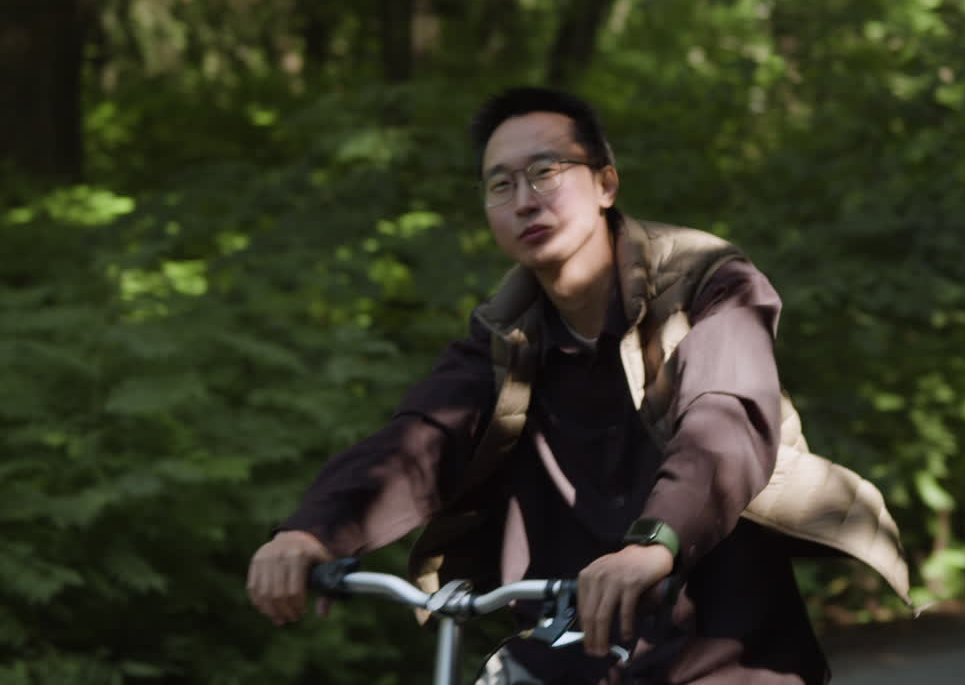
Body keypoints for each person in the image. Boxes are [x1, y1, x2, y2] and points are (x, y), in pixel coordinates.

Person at [247, 87, 912, 684]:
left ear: (605, 184)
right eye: (500, 184)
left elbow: (726, 419)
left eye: (545, 172)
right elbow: (421, 439)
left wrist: (654, 544)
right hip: (568, 647)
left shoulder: (708, 283)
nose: (524, 199)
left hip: (720, 648)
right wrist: (311, 533)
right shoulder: (506, 334)